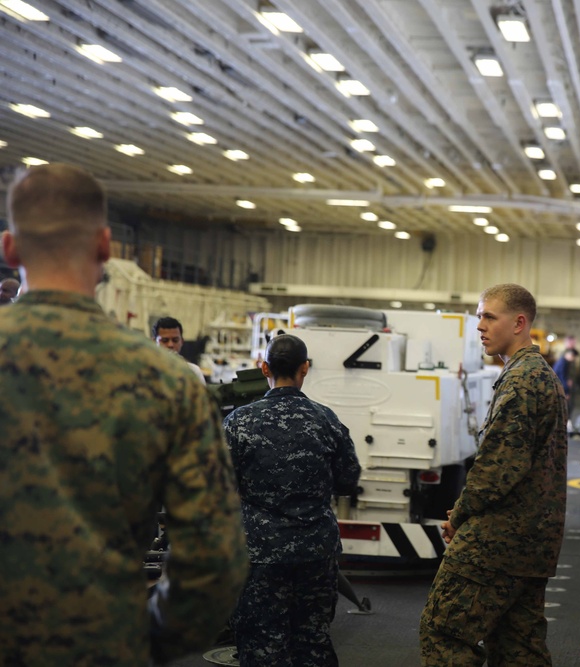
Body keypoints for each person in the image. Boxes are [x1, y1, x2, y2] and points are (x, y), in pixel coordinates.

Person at [0, 163, 247, 665]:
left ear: (10, 248)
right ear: (106, 246)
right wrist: (138, 639)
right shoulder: (170, 382)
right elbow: (214, 562)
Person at [420, 283, 567, 666]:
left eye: (489, 316)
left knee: (444, 634)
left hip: (498, 542)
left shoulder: (521, 381)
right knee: (519, 648)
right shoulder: (538, 375)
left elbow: (498, 468)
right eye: (479, 316)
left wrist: (461, 514)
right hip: (531, 542)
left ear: (519, 323)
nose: (480, 326)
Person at [224, 333, 361, 667]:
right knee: (312, 640)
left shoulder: (239, 422)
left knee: (261, 643)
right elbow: (348, 480)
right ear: (305, 368)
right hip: (316, 549)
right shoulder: (326, 420)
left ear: (263, 367)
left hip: (260, 554)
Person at [153, 315, 206, 384]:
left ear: (182, 342)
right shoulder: (143, 371)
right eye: (165, 340)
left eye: (175, 340)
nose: (170, 345)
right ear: (153, 342)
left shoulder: (193, 371)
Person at [552, 346, 578, 413]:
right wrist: (566, 392)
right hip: (560, 389)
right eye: (574, 357)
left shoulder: (562, 361)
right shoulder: (563, 363)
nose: (574, 359)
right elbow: (563, 378)